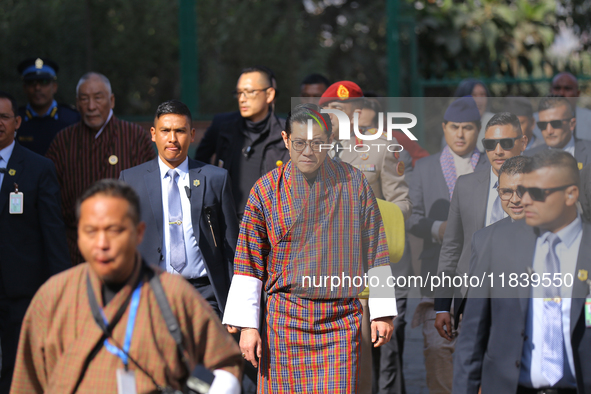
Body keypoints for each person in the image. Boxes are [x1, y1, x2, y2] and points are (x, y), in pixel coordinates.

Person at [222, 103, 397, 393]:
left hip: (339, 319)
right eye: (300, 142)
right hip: (284, 319)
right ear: (286, 140)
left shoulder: (353, 184)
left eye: (317, 143)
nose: (308, 151)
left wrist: (381, 312)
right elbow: (248, 261)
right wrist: (249, 326)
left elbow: (376, 249)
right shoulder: (265, 191)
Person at [10, 179, 243, 394]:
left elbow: (224, 366)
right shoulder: (52, 297)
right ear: (78, 235)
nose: (102, 244)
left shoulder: (174, 295)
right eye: (90, 231)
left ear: (138, 232)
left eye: (114, 230)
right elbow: (26, 384)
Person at [454, 149, 591, 393]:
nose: (524, 200)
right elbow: (472, 338)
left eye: (536, 192)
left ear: (570, 194)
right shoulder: (497, 242)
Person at [320, 81, 411, 394]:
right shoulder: (312, 150)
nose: (332, 117)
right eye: (328, 110)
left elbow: (401, 203)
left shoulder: (382, 147)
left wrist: (371, 223)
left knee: (376, 347)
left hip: (370, 264)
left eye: (340, 110)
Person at [120, 100, 238, 319]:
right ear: (153, 134)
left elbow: (230, 247)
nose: (172, 139)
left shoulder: (215, 179)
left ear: (192, 134)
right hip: (150, 292)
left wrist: (236, 310)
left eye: (180, 131)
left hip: (204, 295)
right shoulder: (130, 181)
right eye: (165, 131)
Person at [407, 96, 489, 394]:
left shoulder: (491, 167)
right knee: (438, 350)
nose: (460, 133)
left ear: (478, 130)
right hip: (436, 275)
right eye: (454, 126)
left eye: (467, 127)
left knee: (477, 354)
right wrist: (439, 228)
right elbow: (411, 217)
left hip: (480, 276)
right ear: (443, 128)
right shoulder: (425, 168)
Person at [434, 112, 527, 342]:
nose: (498, 151)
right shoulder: (465, 186)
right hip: (472, 298)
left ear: (522, 143)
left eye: (506, 143)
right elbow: (451, 248)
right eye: (489, 144)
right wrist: (442, 306)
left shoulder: (539, 186)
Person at [46, 72, 156, 265]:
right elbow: (49, 199)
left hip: (125, 248)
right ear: (77, 103)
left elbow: (153, 193)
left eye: (98, 98)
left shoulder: (134, 137)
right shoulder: (63, 141)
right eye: (84, 99)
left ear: (111, 101)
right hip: (74, 249)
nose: (91, 106)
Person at [0, 91, 70, 394]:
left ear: (17, 122)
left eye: (3, 117)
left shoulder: (39, 167)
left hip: (22, 292)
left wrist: (59, 293)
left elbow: (53, 234)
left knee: (18, 373)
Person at [194, 66, 289, 219]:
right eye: (239, 93)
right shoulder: (222, 127)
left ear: (269, 94)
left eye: (250, 92)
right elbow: (198, 166)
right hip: (229, 227)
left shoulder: (287, 133)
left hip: (272, 226)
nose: (242, 98)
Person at [15, 58, 80, 156]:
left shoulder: (72, 119)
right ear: (25, 88)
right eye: (31, 82)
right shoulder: (15, 121)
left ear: (54, 87)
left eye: (44, 82)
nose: (37, 88)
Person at [527, 96, 591, 168]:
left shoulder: (589, 152)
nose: (549, 131)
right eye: (542, 125)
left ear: (572, 124)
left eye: (556, 123)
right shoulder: (528, 159)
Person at [532, 72, 591, 141]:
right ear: (550, 91)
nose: (561, 93)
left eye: (567, 88)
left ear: (577, 94)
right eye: (557, 88)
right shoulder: (533, 122)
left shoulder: (589, 119)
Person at [451, 79, 495, 152]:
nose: (479, 100)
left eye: (482, 94)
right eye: (473, 95)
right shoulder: (452, 124)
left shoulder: (496, 122)